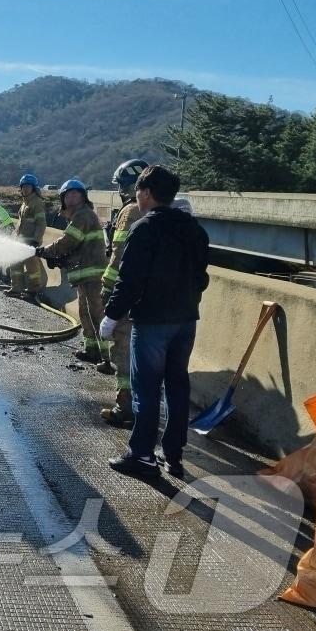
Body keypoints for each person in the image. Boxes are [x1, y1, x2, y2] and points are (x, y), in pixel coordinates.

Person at [100, 165, 209, 479]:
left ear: (146, 192)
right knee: (177, 387)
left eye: (138, 191)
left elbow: (130, 280)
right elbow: (202, 278)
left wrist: (111, 316)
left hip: (152, 323)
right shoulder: (195, 230)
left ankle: (142, 455)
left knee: (146, 389)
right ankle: (173, 455)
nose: (136, 196)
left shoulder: (145, 228)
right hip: (186, 321)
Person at [99, 159, 149, 427]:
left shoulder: (129, 212)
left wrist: (108, 289)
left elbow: (118, 256)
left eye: (120, 184)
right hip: (155, 299)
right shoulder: (166, 211)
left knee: (123, 352)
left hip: (128, 296)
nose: (119, 189)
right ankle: (144, 408)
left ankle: (125, 409)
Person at [36, 179, 108, 363]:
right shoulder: (78, 215)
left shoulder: (83, 215)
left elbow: (69, 241)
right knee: (85, 314)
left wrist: (47, 251)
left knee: (97, 315)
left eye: (75, 193)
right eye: (67, 194)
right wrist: (63, 260)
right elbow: (78, 247)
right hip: (85, 273)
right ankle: (92, 351)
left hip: (93, 274)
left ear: (83, 197)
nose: (71, 197)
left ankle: (108, 358)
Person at [6, 174, 47, 297]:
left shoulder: (36, 203)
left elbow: (41, 224)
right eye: (23, 186)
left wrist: (36, 240)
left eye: (28, 186)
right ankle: (16, 288)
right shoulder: (24, 204)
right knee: (15, 264)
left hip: (30, 242)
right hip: (20, 241)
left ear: (34, 188)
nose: (25, 189)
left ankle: (33, 291)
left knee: (32, 268)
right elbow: (20, 223)